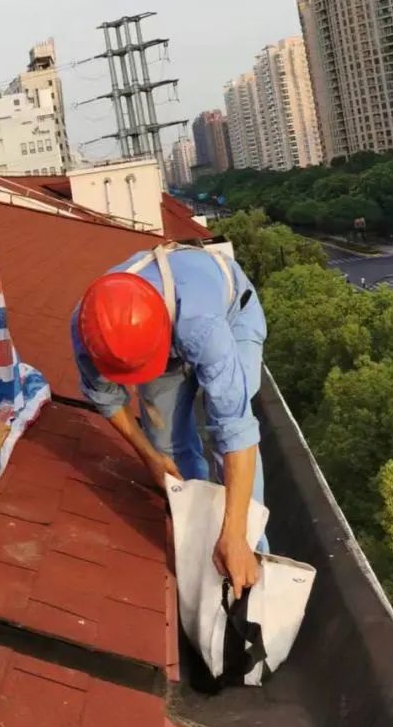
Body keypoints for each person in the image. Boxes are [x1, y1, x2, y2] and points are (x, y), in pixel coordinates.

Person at [72, 243, 267, 600]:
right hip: (159, 331)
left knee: (229, 442)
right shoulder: (90, 326)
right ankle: (203, 537)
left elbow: (235, 428)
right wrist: (148, 455)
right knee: (167, 447)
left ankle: (250, 552)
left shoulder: (202, 327)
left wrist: (236, 535)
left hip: (232, 313)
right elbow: (105, 396)